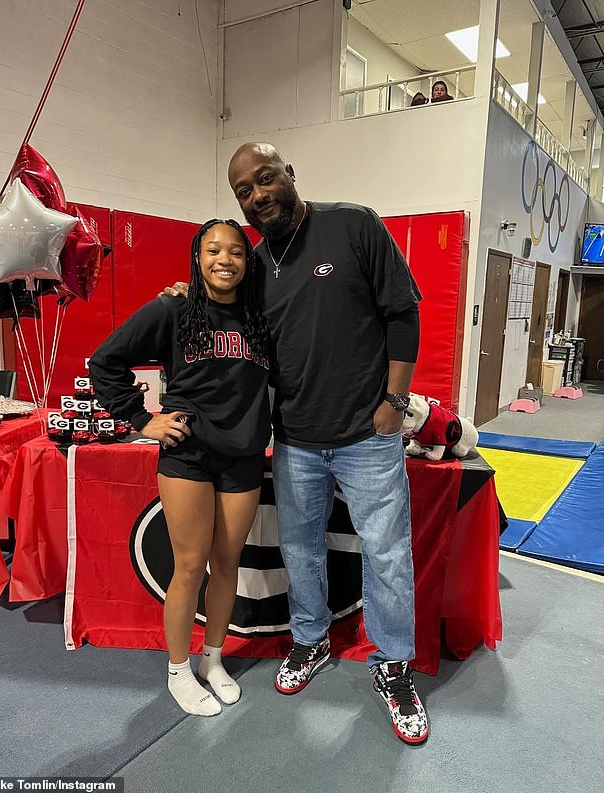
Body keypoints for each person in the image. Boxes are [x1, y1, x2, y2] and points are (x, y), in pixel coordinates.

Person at [167, 143, 428, 744]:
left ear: (289, 174)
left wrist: (394, 401)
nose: (258, 195)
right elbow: (224, 312)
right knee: (301, 549)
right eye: (244, 191)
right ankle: (311, 640)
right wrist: (184, 293)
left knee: (387, 554)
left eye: (265, 179)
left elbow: (403, 314)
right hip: (296, 439)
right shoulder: (255, 264)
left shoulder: (353, 224)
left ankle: (393, 664)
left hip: (367, 435)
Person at [89, 218, 271, 717]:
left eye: (236, 252)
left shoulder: (261, 317)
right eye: (213, 250)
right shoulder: (173, 307)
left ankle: (213, 659)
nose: (225, 260)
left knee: (227, 563)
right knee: (190, 565)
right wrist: (140, 419)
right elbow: (104, 361)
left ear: (247, 262)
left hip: (243, 454)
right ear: (197, 257)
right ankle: (178, 670)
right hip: (188, 453)